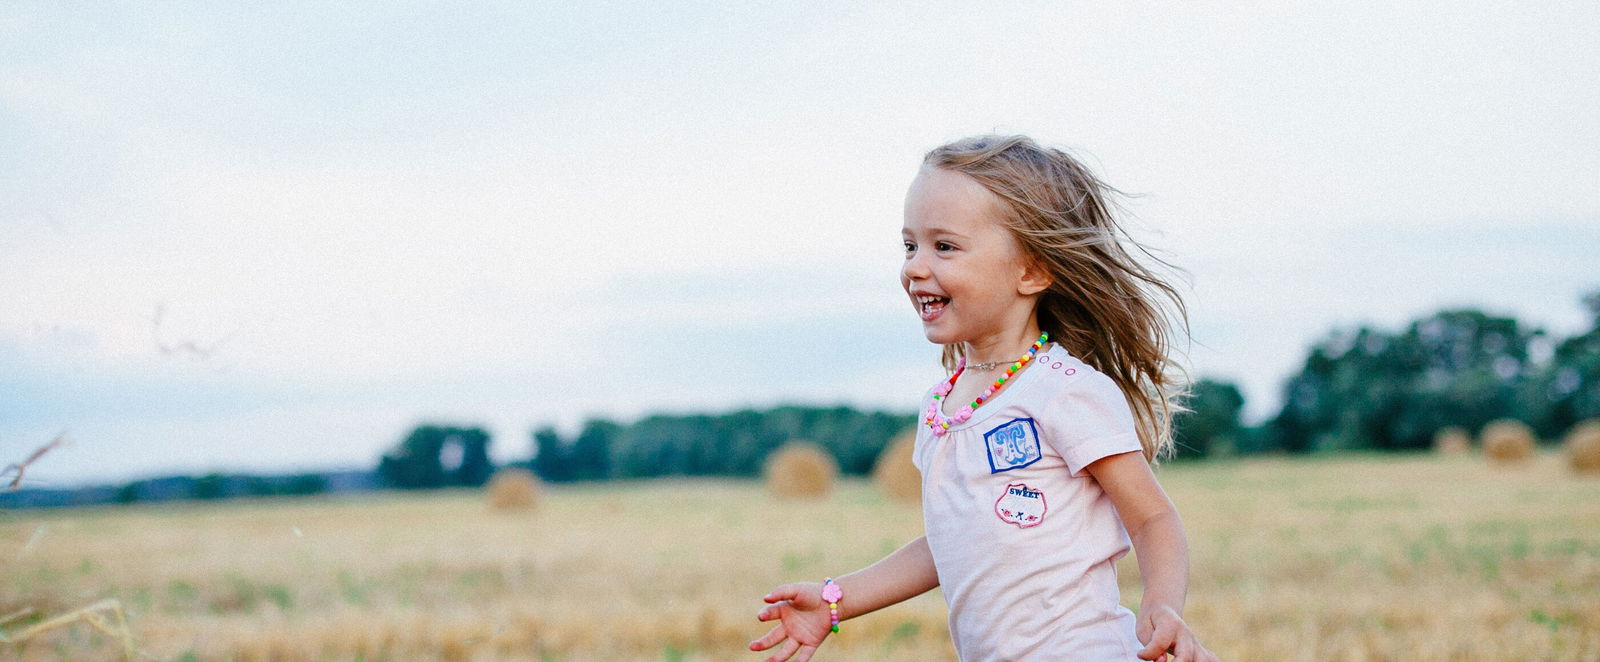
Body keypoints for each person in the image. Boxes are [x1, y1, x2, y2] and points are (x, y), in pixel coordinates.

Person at [748, 135, 1219, 662]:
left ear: (1032, 270)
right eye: (910, 245)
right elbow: (953, 543)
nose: (914, 267)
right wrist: (837, 600)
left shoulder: (1064, 390)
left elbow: (1153, 519)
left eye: (944, 246)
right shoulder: (942, 407)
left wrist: (1161, 606)